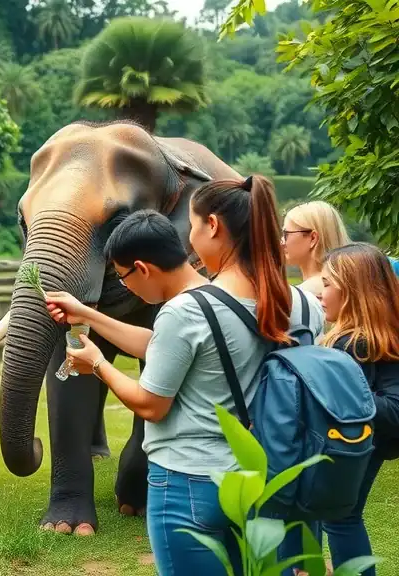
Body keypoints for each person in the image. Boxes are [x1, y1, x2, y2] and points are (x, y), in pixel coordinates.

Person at [47, 175, 324, 576]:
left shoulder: (188, 310)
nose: (190, 240)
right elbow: (172, 346)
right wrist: (88, 313)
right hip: (273, 478)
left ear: (213, 226)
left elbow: (150, 405)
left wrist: (99, 366)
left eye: (192, 226)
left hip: (192, 484)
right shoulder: (302, 303)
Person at [292, 243, 399, 576]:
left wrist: (335, 390)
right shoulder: (375, 336)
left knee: (341, 518)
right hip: (369, 445)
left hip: (354, 446)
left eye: (327, 284)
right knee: (341, 517)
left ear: (353, 290)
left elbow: (393, 409)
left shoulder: (354, 342)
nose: (320, 293)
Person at [281, 201, 351, 298]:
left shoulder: (301, 296)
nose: (282, 241)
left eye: (286, 234)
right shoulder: (347, 288)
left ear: (313, 238)